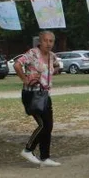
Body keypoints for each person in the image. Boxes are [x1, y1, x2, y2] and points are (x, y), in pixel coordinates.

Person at [16, 30, 58, 167]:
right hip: (32, 94)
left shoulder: (52, 56)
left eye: (51, 41)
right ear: (40, 41)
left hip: (45, 94)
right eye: (45, 40)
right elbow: (17, 64)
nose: (48, 44)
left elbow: (54, 69)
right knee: (43, 125)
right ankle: (28, 150)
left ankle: (45, 157)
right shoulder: (33, 54)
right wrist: (25, 78)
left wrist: (54, 70)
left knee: (49, 126)